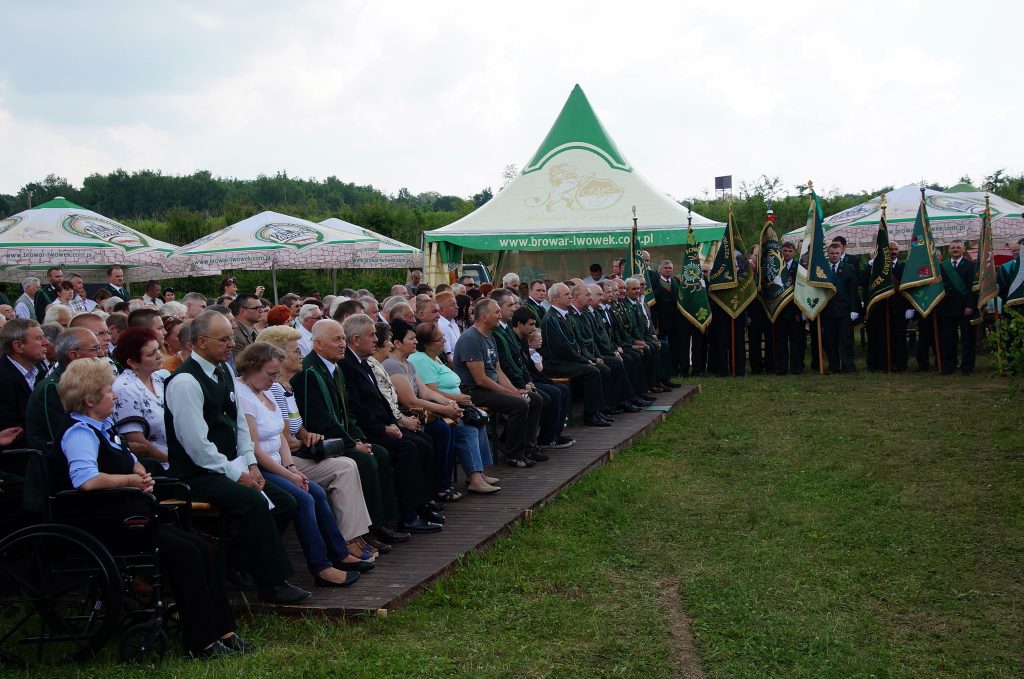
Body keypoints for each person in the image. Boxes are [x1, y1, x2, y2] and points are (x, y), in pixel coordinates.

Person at [57, 358, 248, 658]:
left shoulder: (103, 428)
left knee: (197, 545)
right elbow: (86, 480)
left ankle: (224, 630)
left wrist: (138, 471)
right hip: (105, 522)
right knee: (185, 552)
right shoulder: (80, 433)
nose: (115, 395)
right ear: (90, 399)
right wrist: (129, 480)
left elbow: (123, 458)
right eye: (109, 391)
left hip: (129, 514)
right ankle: (201, 641)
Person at [163, 310, 309, 604]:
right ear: (201, 342)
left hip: (230, 465)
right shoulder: (184, 383)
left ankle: (238, 564)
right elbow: (196, 445)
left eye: (231, 337)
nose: (232, 343)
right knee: (254, 501)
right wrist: (236, 474)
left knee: (285, 503)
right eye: (224, 338)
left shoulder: (223, 371)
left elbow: (239, 424)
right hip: (197, 473)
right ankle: (272, 583)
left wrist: (251, 464)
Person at [234, 343, 370, 587]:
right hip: (257, 466)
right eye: (270, 374)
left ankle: (338, 553)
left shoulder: (266, 390)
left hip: (278, 463)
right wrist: (287, 473)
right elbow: (254, 447)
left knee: (315, 492)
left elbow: (279, 436)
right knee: (304, 498)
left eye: (277, 374)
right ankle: (321, 567)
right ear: (252, 367)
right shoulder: (242, 394)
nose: (275, 379)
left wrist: (292, 468)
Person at [290, 319, 409, 548]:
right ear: (318, 344)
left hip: (341, 436)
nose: (343, 344)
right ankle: (367, 530)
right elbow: (321, 421)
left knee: (379, 452)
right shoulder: (310, 373)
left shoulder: (334, 368)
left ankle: (383, 522)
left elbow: (348, 414)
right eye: (336, 339)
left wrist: (358, 437)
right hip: (320, 441)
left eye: (343, 338)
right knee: (365, 459)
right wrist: (352, 444)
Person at [340, 315, 442, 532]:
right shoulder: (348, 366)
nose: (376, 340)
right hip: (368, 430)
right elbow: (357, 408)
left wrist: (395, 422)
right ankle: (406, 515)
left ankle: (421, 503)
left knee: (424, 441)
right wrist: (384, 427)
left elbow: (380, 400)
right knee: (407, 449)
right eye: (372, 335)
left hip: (382, 423)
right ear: (356, 339)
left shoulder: (363, 361)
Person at [385, 319, 487, 499]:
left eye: (416, 338)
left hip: (420, 414)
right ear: (397, 343)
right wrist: (446, 409)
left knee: (450, 425)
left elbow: (425, 391)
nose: (416, 342)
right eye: (411, 339)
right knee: (442, 428)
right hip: (408, 418)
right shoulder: (392, 366)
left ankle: (445, 483)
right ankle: (438, 486)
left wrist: (449, 404)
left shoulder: (408, 363)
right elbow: (411, 401)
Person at [112, 327, 170, 471]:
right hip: (157, 466)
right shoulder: (125, 388)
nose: (159, 355)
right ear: (133, 362)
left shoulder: (158, 378)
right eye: (151, 354)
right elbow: (136, 440)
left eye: (158, 349)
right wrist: (172, 460)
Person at [0, 319, 49, 453]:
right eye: (39, 338)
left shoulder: (39, 370)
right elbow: (14, 431)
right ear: (18, 346)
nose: (46, 342)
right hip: (20, 458)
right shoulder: (3, 379)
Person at [937, 239, 977, 374]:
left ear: (963, 250)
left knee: (967, 339)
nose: (955, 249)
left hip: (965, 307)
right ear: (949, 250)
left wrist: (970, 306)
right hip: (947, 308)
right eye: (953, 247)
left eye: (958, 247)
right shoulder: (943, 266)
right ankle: (949, 366)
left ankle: (967, 367)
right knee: (948, 339)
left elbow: (973, 288)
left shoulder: (971, 266)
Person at [821, 242, 860, 373]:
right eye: (832, 253)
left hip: (845, 310)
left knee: (846, 340)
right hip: (828, 310)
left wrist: (854, 309)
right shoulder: (822, 268)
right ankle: (833, 366)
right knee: (830, 341)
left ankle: (848, 366)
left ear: (841, 253)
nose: (834, 256)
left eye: (837, 253)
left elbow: (853, 290)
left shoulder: (849, 268)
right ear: (828, 253)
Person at [229, 293, 262, 357]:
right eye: (257, 308)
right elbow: (241, 364)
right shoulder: (236, 336)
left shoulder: (252, 330)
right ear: (243, 311)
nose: (261, 310)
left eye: (261, 307)